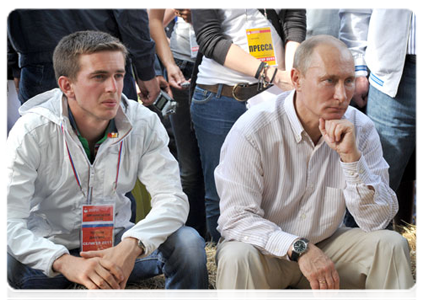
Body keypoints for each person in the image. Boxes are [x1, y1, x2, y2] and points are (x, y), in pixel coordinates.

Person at [5, 31, 208, 300]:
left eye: (119, 75)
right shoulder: (32, 131)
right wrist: (65, 262)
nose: (113, 87)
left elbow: (173, 200)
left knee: (189, 244)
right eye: (99, 77)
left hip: (115, 249)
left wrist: (130, 247)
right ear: (67, 86)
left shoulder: (143, 122)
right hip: (48, 254)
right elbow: (7, 222)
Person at [214, 35, 418, 300]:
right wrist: (298, 248)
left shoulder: (362, 129)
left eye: (348, 81)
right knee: (235, 256)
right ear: (297, 79)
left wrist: (351, 160)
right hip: (265, 254)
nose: (341, 95)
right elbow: (236, 219)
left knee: (391, 245)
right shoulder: (253, 130)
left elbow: (377, 221)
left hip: (327, 246)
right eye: (329, 81)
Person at [190, 8, 306, 242]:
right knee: (221, 191)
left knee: (277, 187)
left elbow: (294, 20)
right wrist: (270, 73)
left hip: (276, 95)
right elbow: (210, 38)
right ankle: (227, 263)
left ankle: (274, 256)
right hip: (221, 96)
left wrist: (289, 76)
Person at [339, 8, 420, 227]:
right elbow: (356, 10)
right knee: (372, 186)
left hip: (393, 72)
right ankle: (356, 255)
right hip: (393, 74)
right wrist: (357, 68)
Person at [6, 8, 160, 104]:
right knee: (112, 147)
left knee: (45, 147)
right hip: (101, 58)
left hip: (39, 64)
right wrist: (145, 70)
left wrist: (16, 64)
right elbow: (129, 13)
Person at [149, 8, 207, 238]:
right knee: (185, 162)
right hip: (176, 75)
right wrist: (164, 66)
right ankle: (192, 235)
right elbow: (151, 24)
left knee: (213, 163)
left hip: (217, 69)